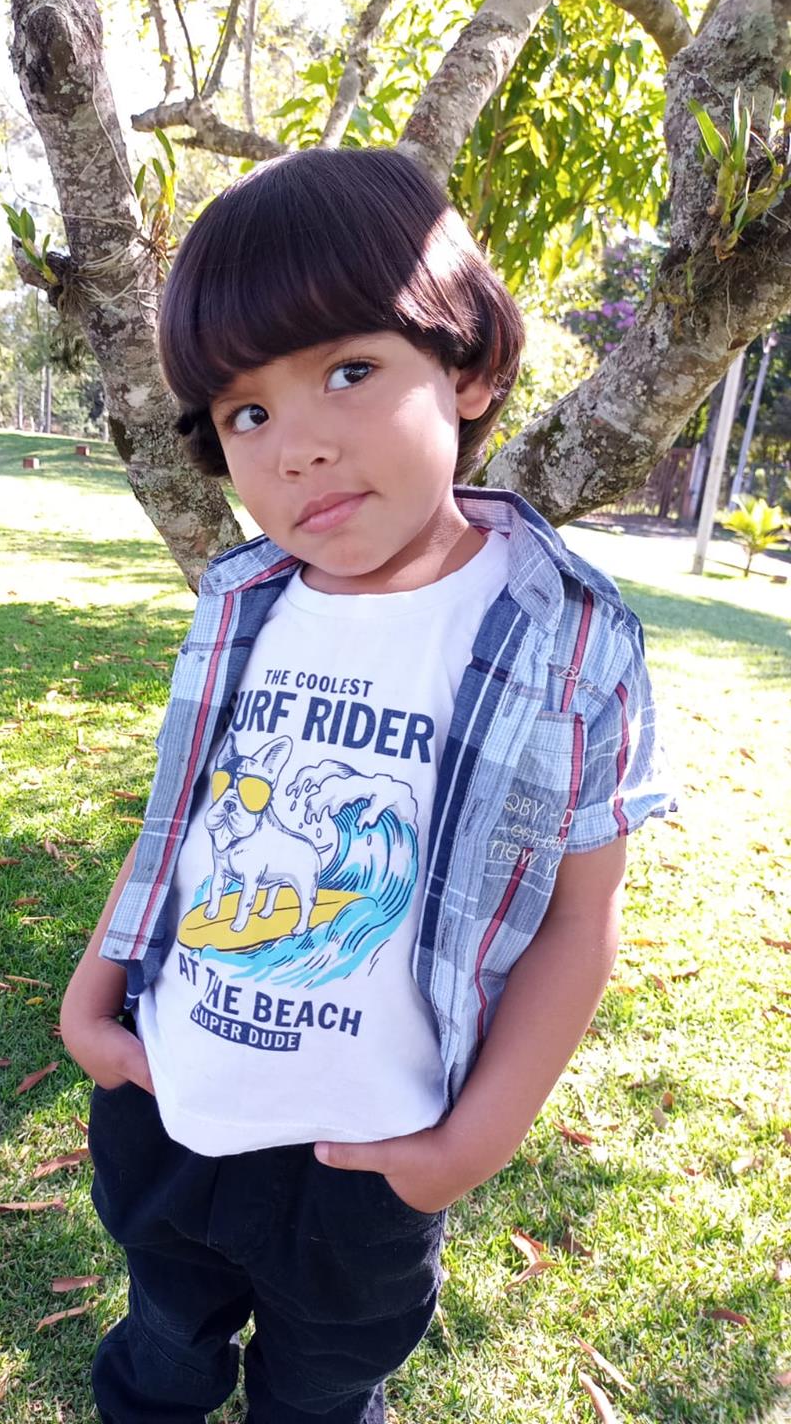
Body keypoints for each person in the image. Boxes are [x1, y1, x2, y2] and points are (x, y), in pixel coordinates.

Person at [59, 147, 674, 1424]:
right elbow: (184, 823)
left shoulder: (566, 636)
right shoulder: (243, 603)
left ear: (471, 368)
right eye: (247, 412)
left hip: (367, 1164)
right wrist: (91, 997)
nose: (297, 448)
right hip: (173, 1105)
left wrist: (471, 1145)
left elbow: (580, 916)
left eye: (349, 371)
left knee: (326, 1396)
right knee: (161, 1352)